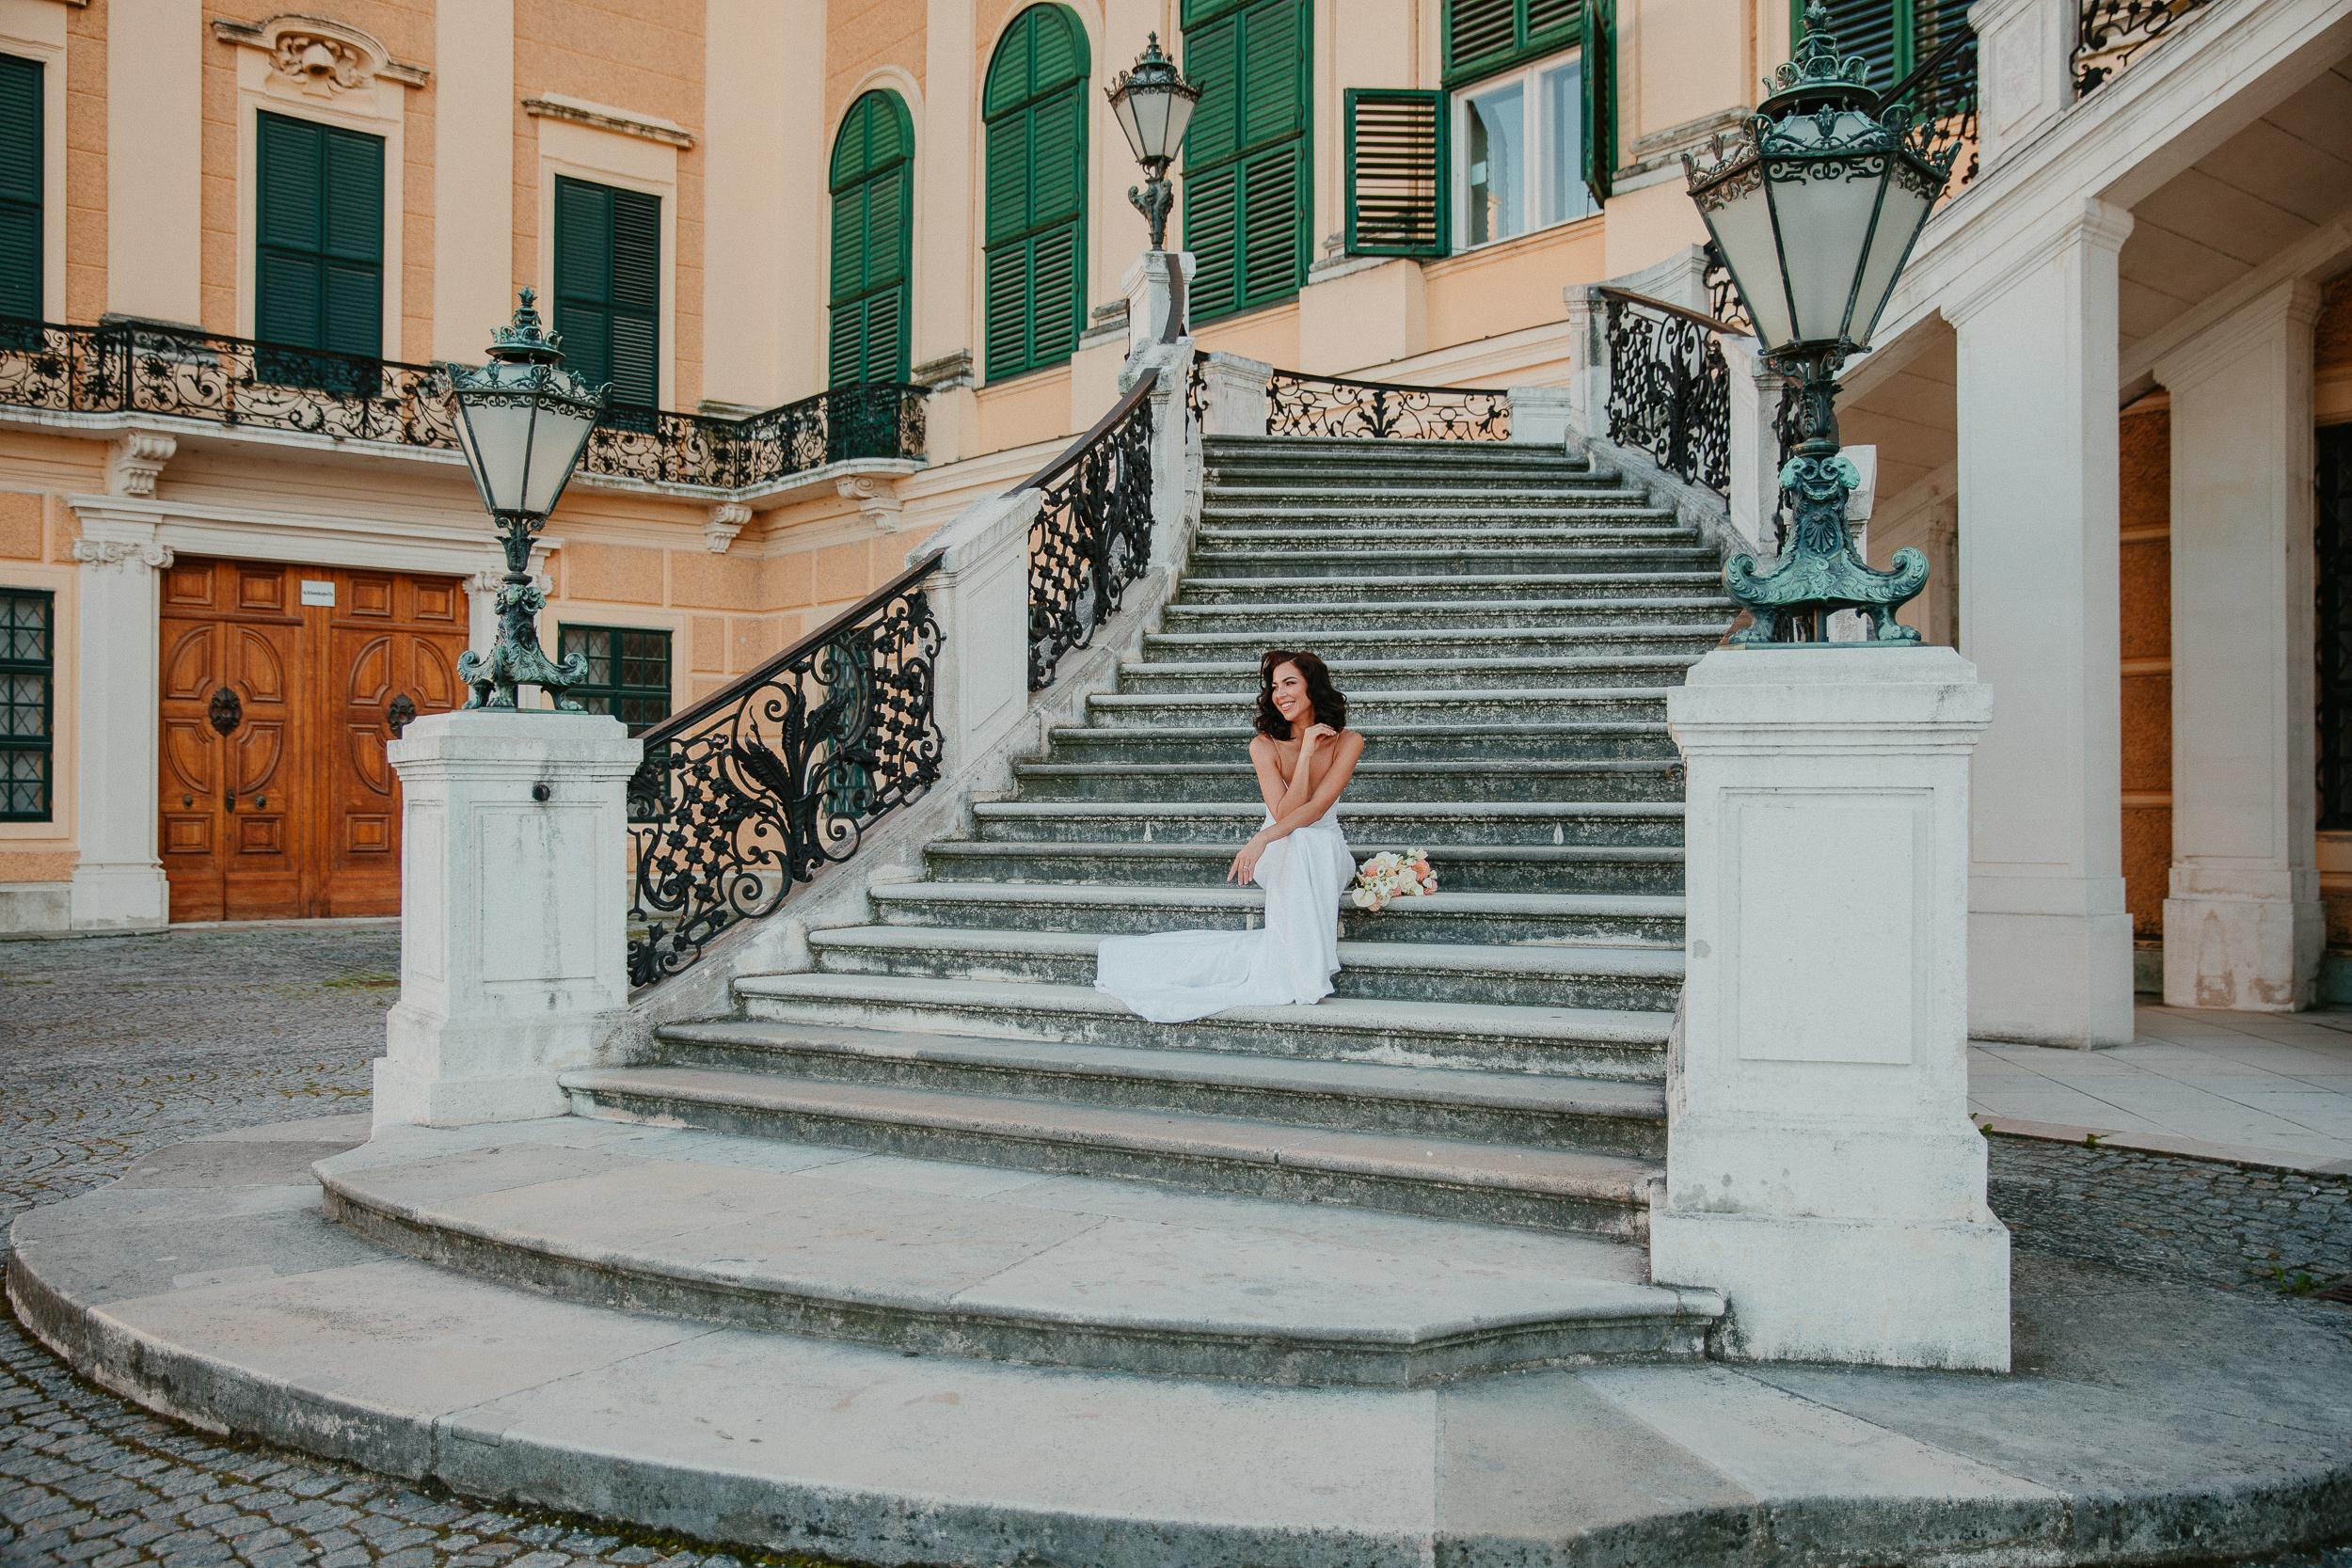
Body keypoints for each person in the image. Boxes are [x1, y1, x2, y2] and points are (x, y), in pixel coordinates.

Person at [1094, 648, 1367, 1023]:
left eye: (1290, 683)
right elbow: (1287, 813)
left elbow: (1316, 810)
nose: (1280, 693)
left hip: (1324, 850)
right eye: (1274, 687)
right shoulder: (1264, 745)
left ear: (1312, 688)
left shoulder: (1349, 741)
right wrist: (1304, 753)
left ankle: (1302, 968)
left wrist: (1261, 838)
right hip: (1281, 848)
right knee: (1297, 839)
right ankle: (1306, 971)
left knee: (1308, 839)